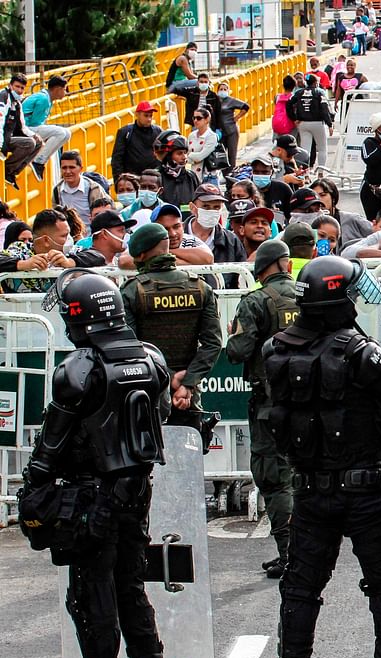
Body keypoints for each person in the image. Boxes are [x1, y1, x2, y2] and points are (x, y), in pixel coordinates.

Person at [259, 255, 381, 658]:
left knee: (300, 588)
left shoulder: (275, 350)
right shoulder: (359, 351)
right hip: (368, 488)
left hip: (310, 489)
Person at [21, 266, 176, 658]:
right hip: (136, 488)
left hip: (90, 493)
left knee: (91, 591)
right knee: (130, 583)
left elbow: (52, 443)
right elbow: (157, 419)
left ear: (78, 316)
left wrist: (33, 489)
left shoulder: (80, 368)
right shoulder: (150, 357)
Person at [225, 239, 298, 578]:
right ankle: (307, 553)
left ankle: (290, 555)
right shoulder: (309, 295)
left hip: (272, 404)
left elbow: (238, 351)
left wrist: (232, 335)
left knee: (275, 479)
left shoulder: (255, 301)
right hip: (314, 403)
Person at [120, 218, 221, 435]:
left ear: (139, 255)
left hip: (147, 390)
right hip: (188, 393)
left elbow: (130, 347)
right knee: (189, 457)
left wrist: (170, 377)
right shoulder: (200, 287)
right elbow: (213, 344)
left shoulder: (131, 290)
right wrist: (188, 383)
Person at [21, 74, 69, 181]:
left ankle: (40, 160)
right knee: (60, 133)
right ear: (57, 89)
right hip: (24, 129)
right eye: (64, 89)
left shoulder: (47, 98)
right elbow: (34, 123)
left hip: (29, 127)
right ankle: (38, 161)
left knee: (66, 133)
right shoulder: (43, 99)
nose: (66, 93)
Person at [0, 73, 42, 187]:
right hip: (2, 139)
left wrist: (34, 135)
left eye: (22, 88)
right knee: (29, 143)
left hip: (7, 138)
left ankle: (12, 173)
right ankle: (6, 170)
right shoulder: (3, 97)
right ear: (10, 85)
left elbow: (22, 126)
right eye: (17, 86)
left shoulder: (17, 103)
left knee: (38, 142)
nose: (19, 90)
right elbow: (0, 122)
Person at [310, 178, 374, 249]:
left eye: (323, 195)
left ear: (333, 198)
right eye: (314, 197)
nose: (318, 200)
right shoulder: (308, 222)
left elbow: (379, 234)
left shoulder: (352, 219)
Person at [53, 150, 108, 232]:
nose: (68, 172)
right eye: (64, 168)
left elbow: (104, 217)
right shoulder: (57, 191)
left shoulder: (93, 189)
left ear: (81, 169)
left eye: (72, 167)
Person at [287, 76, 334, 169]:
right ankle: (321, 172)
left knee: (305, 150)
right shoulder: (320, 92)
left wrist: (294, 118)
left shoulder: (298, 92)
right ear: (316, 82)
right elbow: (324, 109)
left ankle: (306, 173)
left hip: (303, 123)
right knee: (322, 148)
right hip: (318, 123)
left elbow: (288, 104)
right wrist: (329, 124)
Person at [111, 102, 163, 182]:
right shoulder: (125, 132)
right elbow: (117, 159)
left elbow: (163, 155)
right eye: (146, 115)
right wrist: (118, 181)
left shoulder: (158, 131)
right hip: (131, 180)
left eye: (151, 116)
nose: (149, 119)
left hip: (153, 179)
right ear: (137, 114)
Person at [158, 134, 200, 209]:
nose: (184, 157)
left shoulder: (191, 177)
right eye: (179, 153)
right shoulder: (158, 177)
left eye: (185, 153)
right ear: (168, 156)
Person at [185, 106, 219, 182]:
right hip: (194, 175)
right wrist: (190, 157)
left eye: (199, 118)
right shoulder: (192, 135)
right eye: (194, 118)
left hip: (208, 177)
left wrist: (189, 156)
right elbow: (186, 154)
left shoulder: (211, 136)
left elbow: (200, 157)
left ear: (207, 119)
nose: (196, 121)